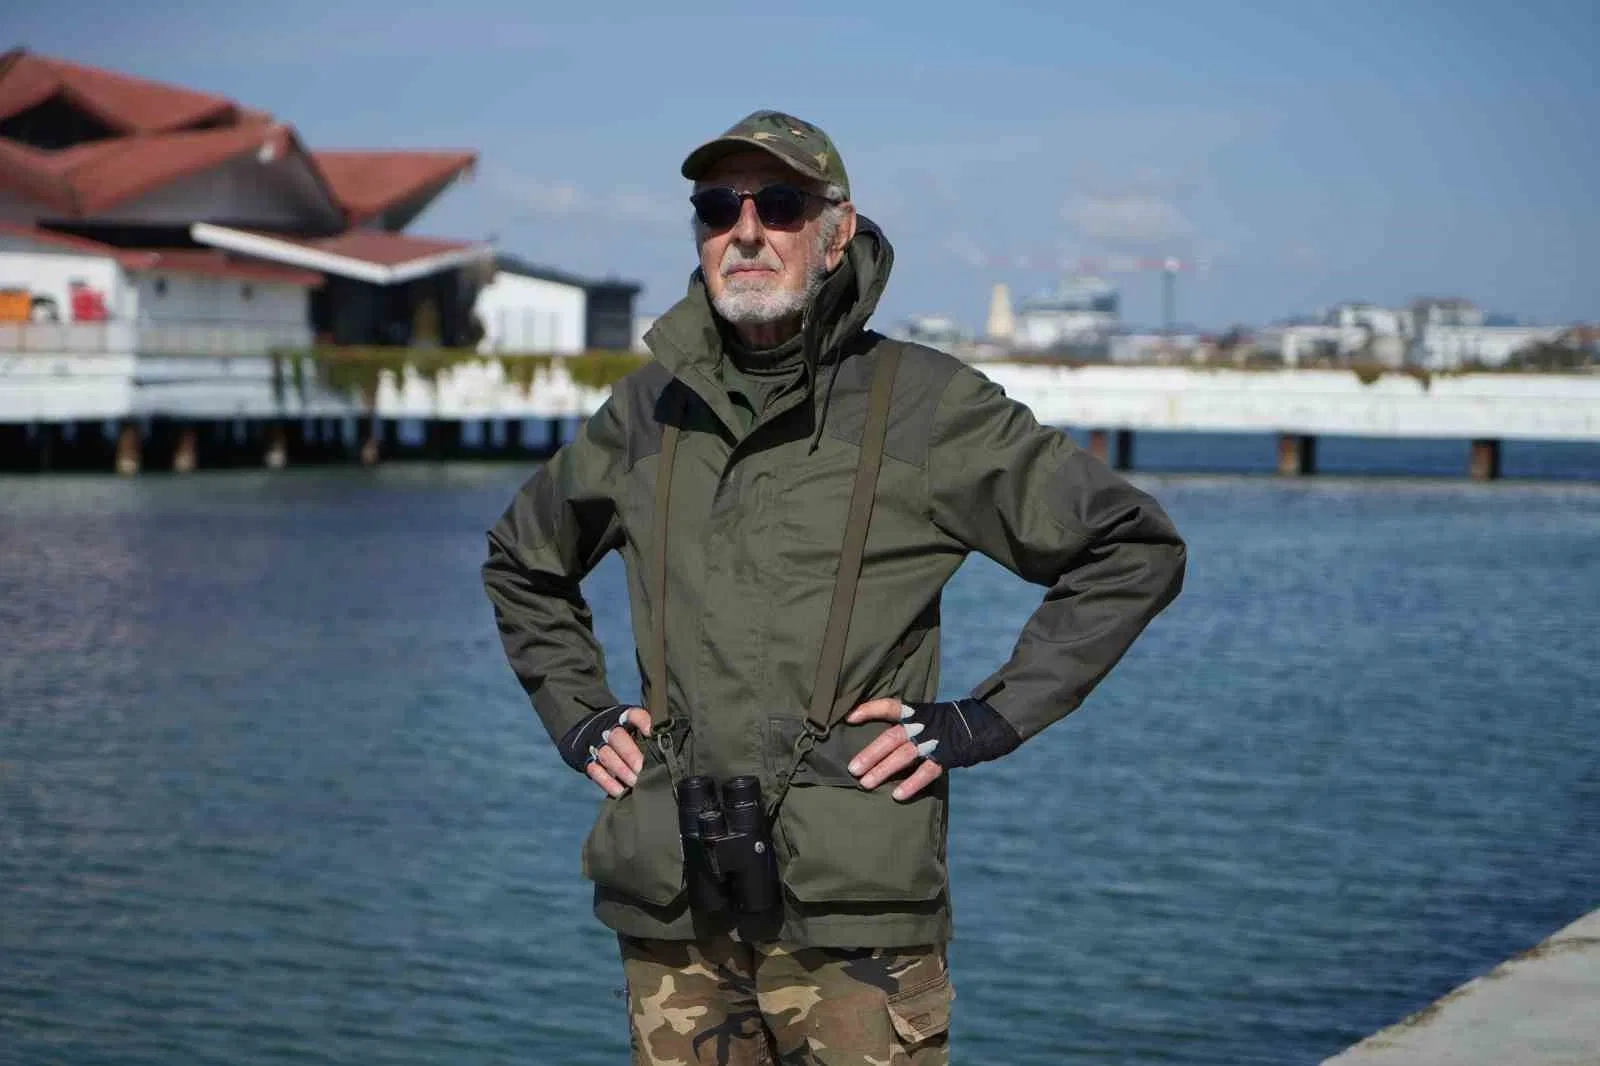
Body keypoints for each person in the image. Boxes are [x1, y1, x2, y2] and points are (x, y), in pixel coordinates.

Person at [482, 110, 1187, 1066]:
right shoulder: (647, 411)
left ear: (836, 231)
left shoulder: (927, 406)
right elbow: (523, 561)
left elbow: (1130, 546)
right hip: (673, 915)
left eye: (779, 205)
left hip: (856, 924)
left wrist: (987, 718)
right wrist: (579, 716)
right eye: (717, 208)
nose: (745, 231)